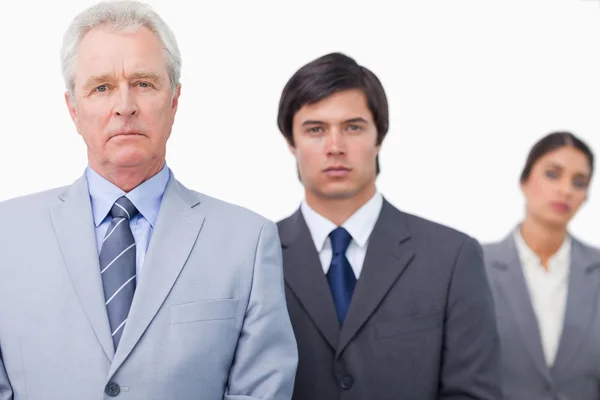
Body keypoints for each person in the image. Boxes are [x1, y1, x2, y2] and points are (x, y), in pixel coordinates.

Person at [0, 1, 297, 399]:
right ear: (73, 108)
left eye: (143, 83)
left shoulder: (247, 241)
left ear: (174, 100)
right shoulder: (8, 235)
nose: (125, 106)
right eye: (101, 87)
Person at [275, 52, 502, 400]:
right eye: (315, 129)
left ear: (379, 137)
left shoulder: (452, 257)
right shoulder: (257, 255)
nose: (335, 147)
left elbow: (473, 392)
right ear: (292, 142)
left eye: (353, 127)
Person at [483, 131, 600, 399]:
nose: (566, 190)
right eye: (552, 174)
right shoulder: (475, 266)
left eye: (579, 182)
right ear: (524, 181)